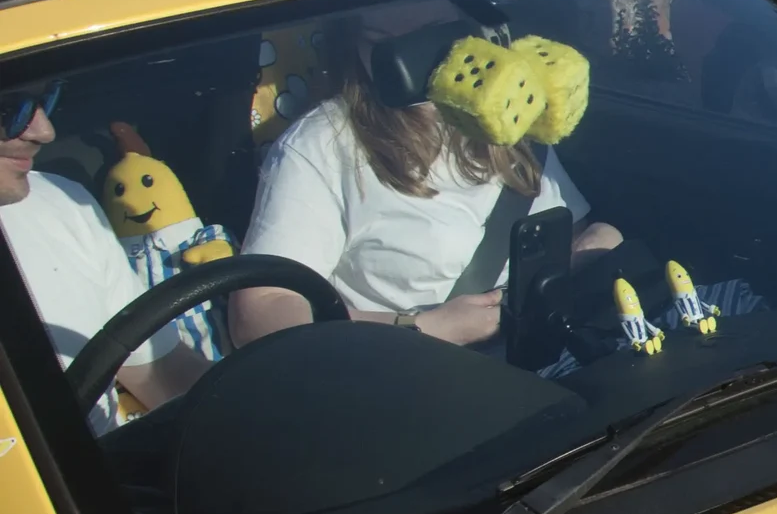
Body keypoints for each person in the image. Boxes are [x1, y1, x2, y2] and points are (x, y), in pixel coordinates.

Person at [232, 26, 620, 347]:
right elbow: (262, 313)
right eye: (387, 40)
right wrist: (426, 328)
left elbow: (570, 232)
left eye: (437, 37)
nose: (417, 60)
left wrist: (591, 251)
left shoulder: (509, 118)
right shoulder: (324, 144)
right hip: (413, 375)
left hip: (540, 360)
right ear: (354, 46)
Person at [0, 82, 208, 430]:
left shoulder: (61, 201)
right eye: (9, 109)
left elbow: (162, 371)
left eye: (44, 100)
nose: (44, 132)